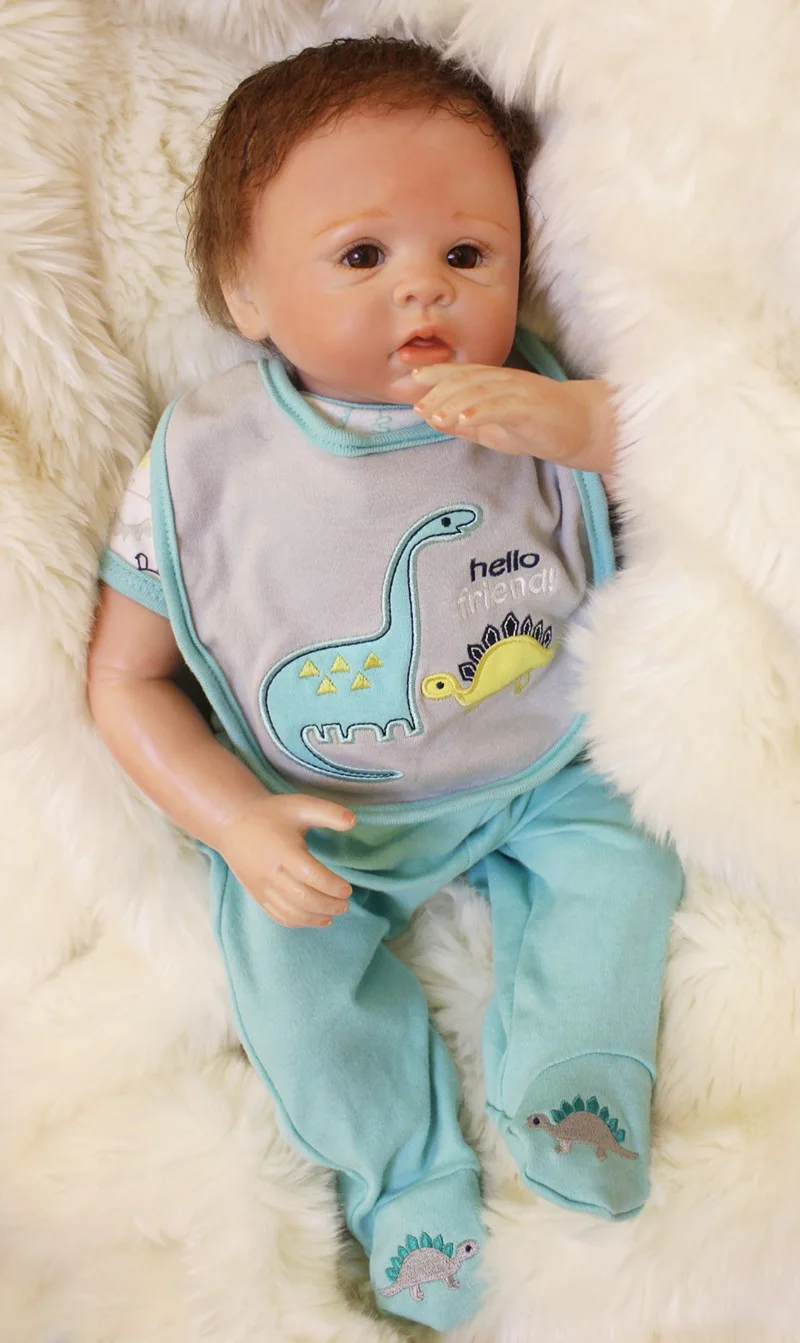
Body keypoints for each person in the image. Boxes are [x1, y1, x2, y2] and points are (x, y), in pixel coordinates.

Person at [87, 37, 683, 1332]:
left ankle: (577, 1081)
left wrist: (588, 426)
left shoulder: (541, 397)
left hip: (544, 769)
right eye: (362, 255)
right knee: (287, 972)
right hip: (323, 808)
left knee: (626, 862)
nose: (426, 284)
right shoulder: (204, 464)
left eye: (468, 253)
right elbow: (125, 679)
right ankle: (406, 1183)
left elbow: (710, 458)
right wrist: (234, 820)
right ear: (244, 290)